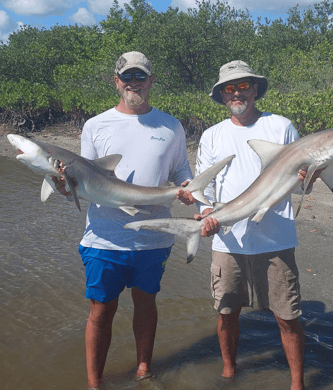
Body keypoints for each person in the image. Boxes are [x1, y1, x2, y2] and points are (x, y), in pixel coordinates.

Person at [54, 51, 194, 389]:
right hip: (104, 238)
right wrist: (62, 185)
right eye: (127, 77)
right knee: (100, 310)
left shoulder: (170, 126)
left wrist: (188, 188)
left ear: (151, 81)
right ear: (116, 81)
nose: (134, 83)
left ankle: (144, 369)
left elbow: (181, 172)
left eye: (140, 77)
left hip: (154, 236)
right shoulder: (96, 125)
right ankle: (95, 383)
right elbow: (80, 182)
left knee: (146, 303)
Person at [192, 60, 320, 390]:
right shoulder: (212, 136)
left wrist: (310, 177)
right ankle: (229, 373)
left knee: (287, 317)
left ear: (255, 89)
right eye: (229, 88)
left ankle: (297, 384)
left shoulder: (281, 127)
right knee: (226, 313)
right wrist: (205, 215)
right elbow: (203, 190)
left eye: (243, 86)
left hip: (275, 239)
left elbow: (301, 184)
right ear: (221, 95)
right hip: (227, 242)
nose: (237, 93)